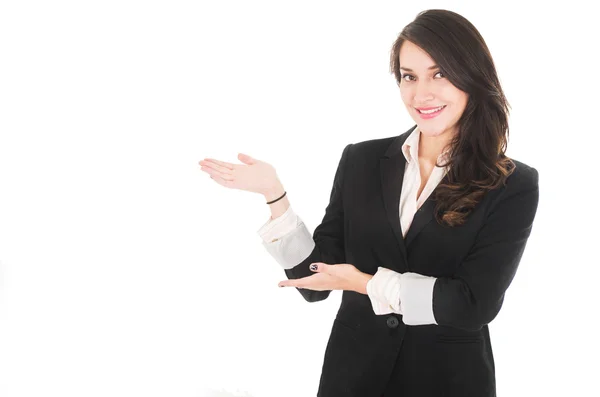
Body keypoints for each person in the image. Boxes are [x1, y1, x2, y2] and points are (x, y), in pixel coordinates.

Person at [199, 9, 539, 397]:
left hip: (448, 381)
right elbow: (316, 282)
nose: (420, 93)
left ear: (472, 78)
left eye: (439, 73)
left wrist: (364, 283)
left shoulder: (512, 184)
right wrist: (275, 197)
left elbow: (472, 306)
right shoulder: (361, 161)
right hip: (354, 377)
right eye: (408, 76)